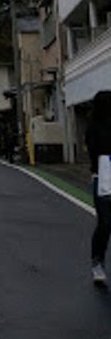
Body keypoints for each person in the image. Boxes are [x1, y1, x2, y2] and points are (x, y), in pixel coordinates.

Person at [86, 91, 111, 285]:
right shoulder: (94, 128)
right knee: (105, 223)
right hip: (102, 178)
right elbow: (94, 150)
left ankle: (98, 261)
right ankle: (97, 261)